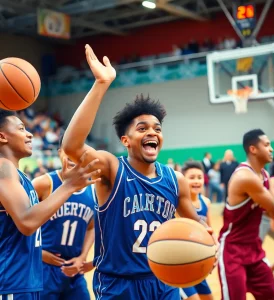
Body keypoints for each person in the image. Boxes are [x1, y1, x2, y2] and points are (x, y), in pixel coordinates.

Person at [62, 44, 217, 299]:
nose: (152, 133)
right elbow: (71, 146)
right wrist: (101, 83)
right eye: (142, 128)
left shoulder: (175, 179)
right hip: (118, 284)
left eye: (157, 128)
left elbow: (195, 223)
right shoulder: (112, 169)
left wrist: (209, 241)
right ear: (126, 140)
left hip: (164, 280)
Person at [0, 110, 100, 299]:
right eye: (21, 129)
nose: (29, 133)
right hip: (10, 282)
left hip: (27, 280)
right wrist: (69, 186)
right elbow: (27, 222)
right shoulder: (3, 167)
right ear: (2, 136)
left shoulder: (20, 177)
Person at [218, 129, 274, 300]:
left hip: (254, 250)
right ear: (253, 149)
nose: (271, 149)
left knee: (272, 295)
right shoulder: (245, 177)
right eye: (267, 145)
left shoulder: (264, 174)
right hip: (233, 251)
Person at [32, 136, 96, 299]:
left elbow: (92, 227)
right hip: (43, 268)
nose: (74, 156)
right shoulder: (44, 183)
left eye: (79, 152)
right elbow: (20, 220)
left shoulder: (93, 191)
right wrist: (37, 251)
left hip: (74, 270)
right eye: (69, 151)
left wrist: (82, 257)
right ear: (60, 153)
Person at [178, 161, 213, 300]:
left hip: (196, 265)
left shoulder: (206, 202)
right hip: (178, 265)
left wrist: (213, 252)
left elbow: (210, 231)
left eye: (199, 177)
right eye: (192, 177)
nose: (197, 181)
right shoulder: (177, 204)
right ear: (182, 180)